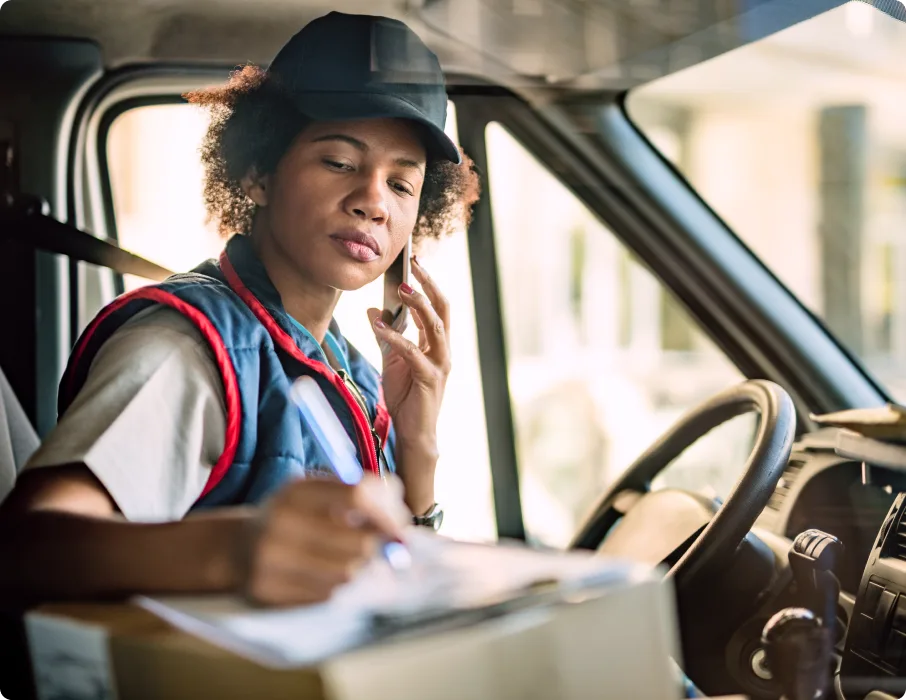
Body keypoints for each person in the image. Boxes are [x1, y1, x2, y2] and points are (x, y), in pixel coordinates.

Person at [0, 11, 480, 608]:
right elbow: (24, 547)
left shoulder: (353, 373)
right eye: (339, 162)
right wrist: (235, 551)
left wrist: (418, 448)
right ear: (257, 173)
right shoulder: (185, 349)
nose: (372, 202)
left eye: (402, 185)